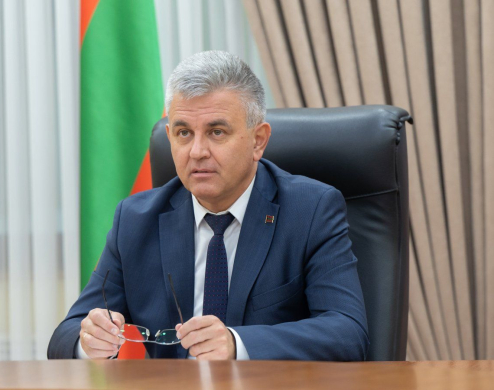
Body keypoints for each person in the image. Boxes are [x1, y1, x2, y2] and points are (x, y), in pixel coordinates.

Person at [48, 51, 369, 361]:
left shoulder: (310, 210)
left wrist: (236, 344)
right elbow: (65, 335)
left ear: (258, 140)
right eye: (184, 133)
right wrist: (89, 340)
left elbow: (347, 333)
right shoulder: (136, 219)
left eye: (216, 132)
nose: (197, 151)